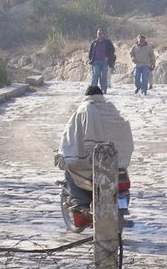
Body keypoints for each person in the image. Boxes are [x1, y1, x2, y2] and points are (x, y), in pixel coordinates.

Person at [54, 85, 134, 213]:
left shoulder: (83, 110)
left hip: (93, 162)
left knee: (71, 171)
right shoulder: (111, 110)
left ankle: (81, 204)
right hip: (116, 162)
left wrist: (66, 154)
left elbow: (71, 137)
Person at [87, 28, 116, 93]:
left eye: (101, 33)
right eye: (98, 33)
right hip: (96, 61)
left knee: (104, 76)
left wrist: (108, 57)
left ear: (103, 34)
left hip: (104, 62)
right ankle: (93, 90)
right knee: (95, 75)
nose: (99, 35)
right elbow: (91, 52)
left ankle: (103, 90)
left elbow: (112, 50)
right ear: (97, 34)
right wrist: (91, 59)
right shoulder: (94, 42)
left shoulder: (107, 42)